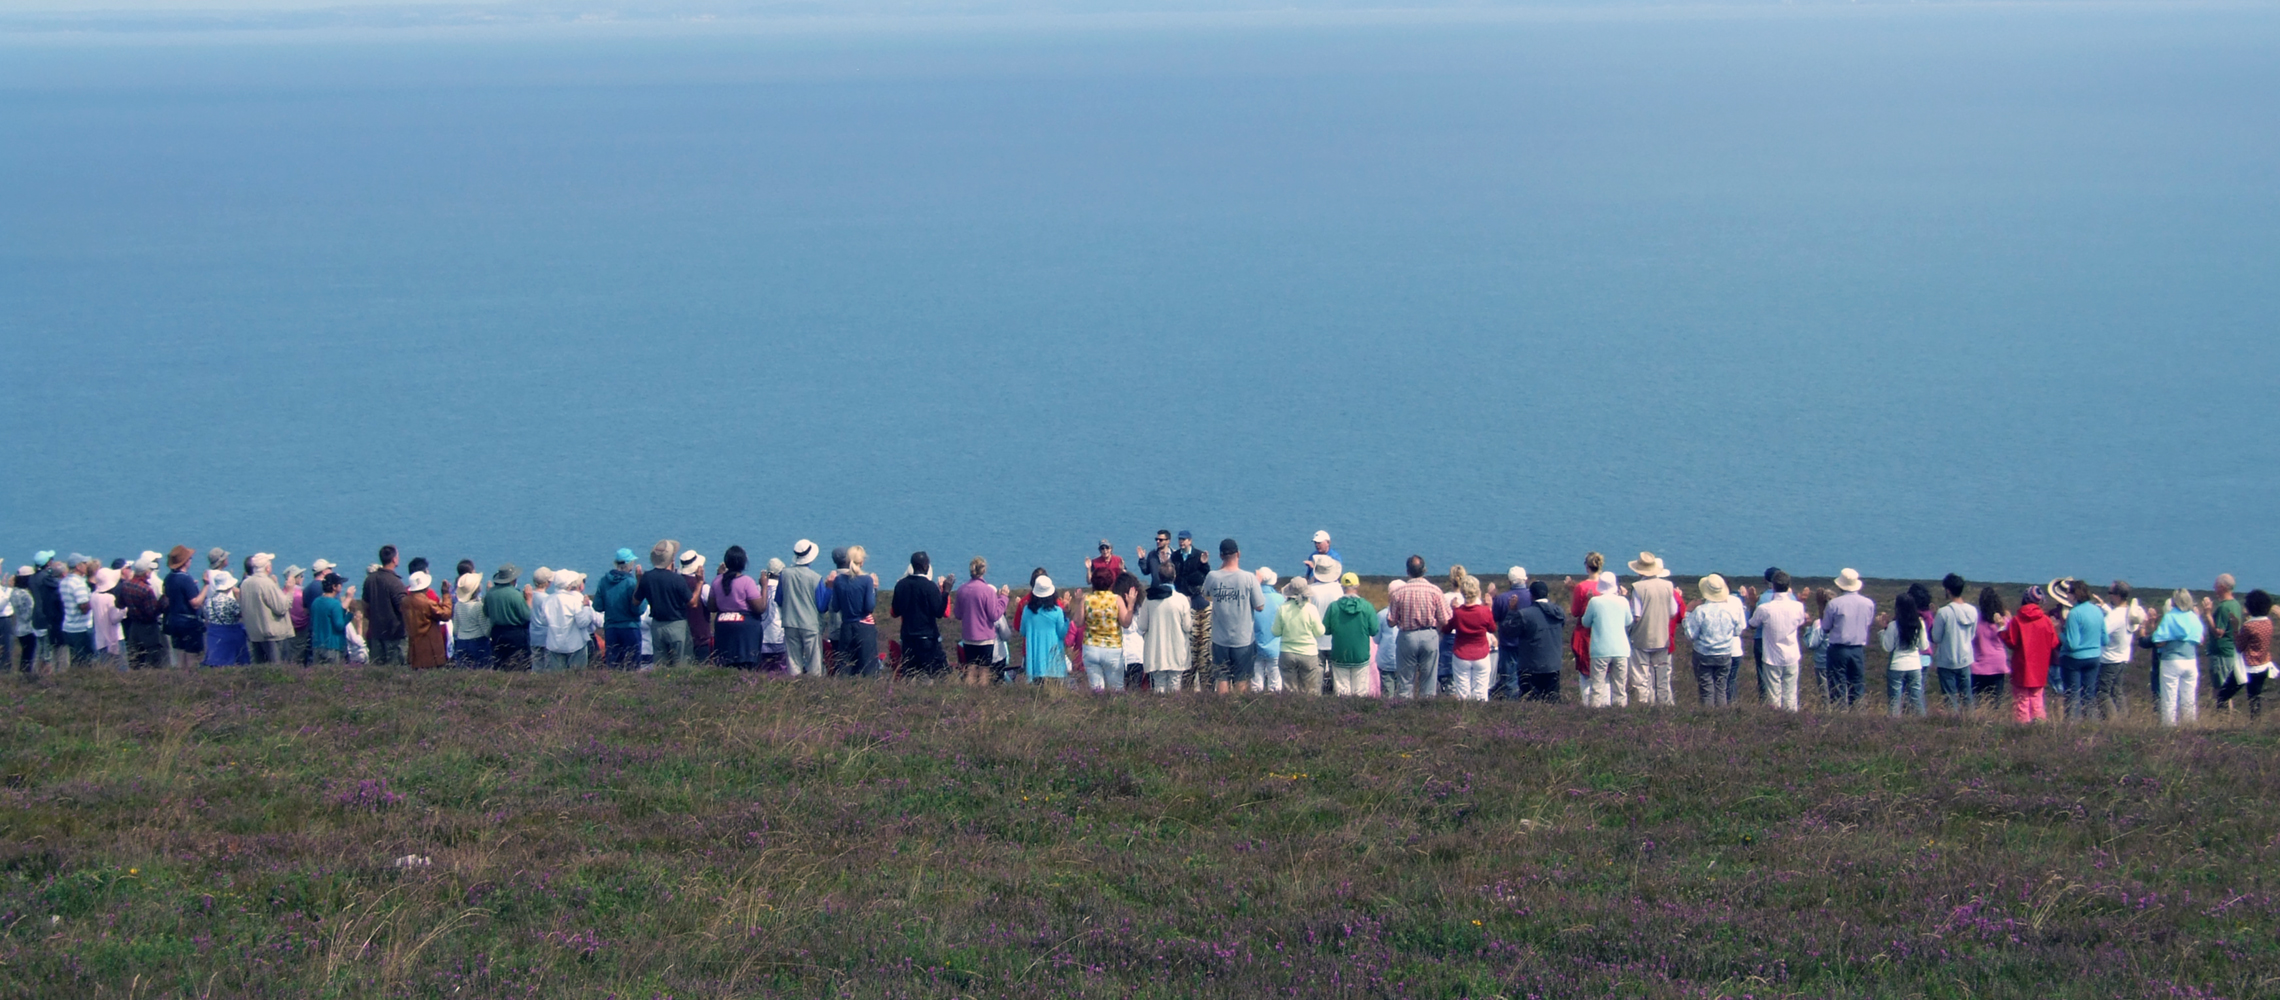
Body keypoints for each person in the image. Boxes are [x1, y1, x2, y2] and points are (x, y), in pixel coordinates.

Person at [1198, 539, 1265, 693]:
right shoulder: (1248, 578)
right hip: (1243, 639)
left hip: (1219, 638)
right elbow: (1260, 606)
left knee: (1222, 677)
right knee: (1242, 678)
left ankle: (1223, 710)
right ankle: (1238, 709)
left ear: (1221, 556)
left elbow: (1205, 594)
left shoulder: (1212, 576)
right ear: (1238, 554)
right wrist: (1257, 583)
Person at [1387, 556, 1450, 698]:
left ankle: (1405, 712)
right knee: (1428, 681)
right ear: (1424, 570)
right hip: (1429, 635)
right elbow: (1445, 619)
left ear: (1407, 571)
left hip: (1407, 636)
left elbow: (1391, 621)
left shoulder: (1399, 592)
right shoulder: (1435, 591)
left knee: (1405, 681)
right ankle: (1426, 713)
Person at [1746, 571, 1809, 711]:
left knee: (1773, 696)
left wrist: (1752, 604)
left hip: (1771, 657)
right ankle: (1792, 722)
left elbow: (1752, 624)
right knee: (1791, 694)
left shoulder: (1764, 608)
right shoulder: (1798, 607)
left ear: (1773, 586)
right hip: (1792, 655)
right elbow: (1801, 622)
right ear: (1788, 586)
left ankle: (1775, 720)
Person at [1624, 552, 1679, 707]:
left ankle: (1644, 706)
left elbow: (1636, 615)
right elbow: (1673, 611)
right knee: (1662, 677)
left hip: (1642, 638)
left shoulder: (1638, 588)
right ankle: (1665, 706)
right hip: (1663, 638)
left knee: (1641, 678)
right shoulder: (1668, 586)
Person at [1682, 574, 1746, 707]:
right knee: (1721, 688)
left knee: (1706, 689)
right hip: (1725, 654)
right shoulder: (1731, 610)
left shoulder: (1700, 611)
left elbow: (1690, 635)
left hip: (1703, 654)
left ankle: (1708, 716)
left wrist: (1687, 614)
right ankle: (1721, 717)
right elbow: (1738, 631)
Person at [2000, 586, 2058, 723]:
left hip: (2022, 666)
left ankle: (2022, 728)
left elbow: (2011, 643)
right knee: (2037, 699)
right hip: (2040, 667)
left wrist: (2002, 630)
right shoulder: (2046, 620)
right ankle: (2039, 725)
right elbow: (2054, 643)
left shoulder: (2017, 620)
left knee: (2021, 699)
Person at [892, 552, 954, 680]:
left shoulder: (901, 585)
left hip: (907, 638)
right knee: (936, 674)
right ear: (925, 566)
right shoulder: (929, 587)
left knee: (910, 675)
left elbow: (896, 611)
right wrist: (946, 592)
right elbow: (939, 612)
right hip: (927, 639)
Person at [1818, 570, 1875, 708]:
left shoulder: (1834, 604)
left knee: (1837, 686)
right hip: (1857, 650)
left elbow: (1825, 627)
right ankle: (1857, 715)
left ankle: (1839, 717)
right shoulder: (1868, 603)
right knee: (1857, 685)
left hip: (1838, 649)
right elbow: (1868, 623)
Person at [1578, 572, 1634, 708]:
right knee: (1620, 689)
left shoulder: (1595, 602)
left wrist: (1590, 601)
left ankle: (1595, 714)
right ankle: (1620, 715)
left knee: (1597, 688)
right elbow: (1629, 621)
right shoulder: (1623, 601)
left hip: (1600, 650)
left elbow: (1585, 622)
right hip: (1621, 649)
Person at [2151, 589, 2206, 726]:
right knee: (2189, 699)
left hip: (2171, 661)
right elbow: (2200, 640)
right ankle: (2190, 728)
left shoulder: (2170, 617)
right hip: (2190, 661)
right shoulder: (2194, 617)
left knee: (2169, 698)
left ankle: (2169, 729)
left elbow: (2158, 641)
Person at [1320, 573, 1380, 697]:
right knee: (1361, 693)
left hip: (1339, 654)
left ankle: (1343, 715)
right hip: (1361, 655)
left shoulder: (1334, 607)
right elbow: (1374, 630)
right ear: (1357, 586)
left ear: (1342, 587)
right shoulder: (1367, 607)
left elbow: (1325, 630)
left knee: (1342, 694)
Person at [1076, 564, 1134, 691]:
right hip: (1112, 648)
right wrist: (1130, 605)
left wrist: (1078, 602)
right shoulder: (1116, 599)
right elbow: (1126, 623)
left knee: (1096, 688)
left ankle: (1097, 708)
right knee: (1117, 688)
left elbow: (1078, 622)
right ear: (1111, 582)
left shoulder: (1087, 599)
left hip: (1091, 647)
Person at [952, 558, 1006, 687]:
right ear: (984, 570)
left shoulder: (961, 590)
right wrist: (1003, 599)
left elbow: (958, 614)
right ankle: (982, 697)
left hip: (968, 637)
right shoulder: (988, 591)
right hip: (985, 638)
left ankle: (969, 695)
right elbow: (994, 615)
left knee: (971, 668)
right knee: (984, 670)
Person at [2057, 579, 2106, 721]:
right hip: (2094, 657)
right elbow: (2105, 639)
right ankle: (2092, 726)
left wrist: (2059, 633)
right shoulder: (2098, 611)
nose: (2066, 595)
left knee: (2073, 697)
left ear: (2074, 595)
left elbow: (2072, 644)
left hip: (2074, 659)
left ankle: (2072, 729)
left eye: (2068, 592)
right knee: (2089, 696)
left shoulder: (2074, 614)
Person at [2095, 581, 2144, 720]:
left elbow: (2101, 633)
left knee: (2102, 692)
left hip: (2109, 659)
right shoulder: (2129, 612)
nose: (2109, 596)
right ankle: (2123, 719)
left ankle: (2112, 721)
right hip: (2122, 658)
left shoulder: (2115, 616)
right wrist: (2105, 607)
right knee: (2117, 691)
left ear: (2117, 595)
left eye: (2110, 593)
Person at [1442, 575, 1497, 701]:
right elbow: (1492, 628)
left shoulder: (1458, 613)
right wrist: (1489, 608)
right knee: (1481, 693)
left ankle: (1463, 717)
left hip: (1461, 655)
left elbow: (1446, 629)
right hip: (1481, 654)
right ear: (1477, 591)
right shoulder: (1484, 611)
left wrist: (1453, 609)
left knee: (1462, 694)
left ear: (1462, 592)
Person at [1928, 574, 1979, 711]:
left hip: (1946, 660)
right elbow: (1972, 635)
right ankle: (1969, 723)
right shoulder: (1973, 611)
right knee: (1967, 697)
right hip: (1965, 659)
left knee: (1950, 699)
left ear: (1948, 590)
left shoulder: (1944, 612)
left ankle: (1952, 725)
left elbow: (1936, 637)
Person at [710, 547, 766, 669]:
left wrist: (718, 575)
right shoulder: (747, 582)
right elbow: (760, 608)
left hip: (723, 626)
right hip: (744, 629)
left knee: (725, 664)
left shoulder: (717, 581)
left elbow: (712, 607)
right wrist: (764, 586)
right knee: (746, 665)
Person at [1137, 574, 1193, 693]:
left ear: (1160, 577)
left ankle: (1161, 709)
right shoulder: (1181, 599)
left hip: (1156, 650)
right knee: (1175, 684)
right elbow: (1188, 627)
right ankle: (1174, 709)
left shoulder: (1149, 599)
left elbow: (1142, 626)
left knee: (1159, 686)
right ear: (1174, 576)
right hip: (1176, 650)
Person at [1271, 576, 1326, 696]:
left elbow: (1275, 632)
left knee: (1289, 691)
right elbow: (1320, 632)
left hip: (1287, 653)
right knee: (1310, 691)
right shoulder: (1311, 609)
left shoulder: (1282, 609)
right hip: (1308, 653)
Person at [1170, 531, 1213, 685]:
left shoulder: (1198, 555)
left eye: (1184, 540)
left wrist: (1204, 564)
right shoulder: (1175, 556)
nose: (1181, 542)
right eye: (1180, 539)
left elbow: (1206, 575)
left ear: (1190, 541)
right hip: (1181, 595)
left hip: (1195, 597)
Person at [778, 540, 825, 676]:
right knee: (814, 664)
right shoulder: (816, 578)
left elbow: (779, 599)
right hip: (810, 624)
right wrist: (829, 589)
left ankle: (793, 690)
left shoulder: (784, 574)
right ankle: (813, 690)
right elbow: (822, 606)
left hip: (790, 623)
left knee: (793, 662)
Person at [1881, 592, 1930, 717]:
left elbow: (1887, 647)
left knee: (1895, 701)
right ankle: (1922, 723)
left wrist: (1882, 630)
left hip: (1897, 665)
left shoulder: (1893, 625)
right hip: (1914, 665)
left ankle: (1894, 724)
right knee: (1917, 698)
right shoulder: (1919, 624)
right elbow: (1924, 646)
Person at [593, 548, 644, 669]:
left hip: (611, 630)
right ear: (630, 564)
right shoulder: (632, 583)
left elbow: (597, 606)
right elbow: (638, 610)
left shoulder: (603, 581)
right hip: (630, 629)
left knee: (613, 667)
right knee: (632, 667)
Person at [239, 554, 293, 665]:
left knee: (261, 668)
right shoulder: (267, 583)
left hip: (255, 634)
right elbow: (281, 608)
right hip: (273, 634)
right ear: (267, 568)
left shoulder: (245, 583)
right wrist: (289, 591)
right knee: (277, 670)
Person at [2206, 575, 2249, 712]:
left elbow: (2219, 632)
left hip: (2221, 652)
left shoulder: (2224, 607)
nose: (2214, 588)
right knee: (2227, 688)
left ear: (2223, 587)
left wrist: (2207, 614)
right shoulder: (2235, 604)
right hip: (2231, 651)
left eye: (2216, 585)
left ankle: (2224, 718)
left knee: (2221, 689)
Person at [1020, 576, 1072, 686]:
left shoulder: (1027, 610)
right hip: (1054, 663)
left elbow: (1023, 631)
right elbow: (1062, 633)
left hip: (1034, 664)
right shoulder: (1057, 611)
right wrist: (1067, 618)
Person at [1569, 552, 1606, 703]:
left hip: (1585, 634)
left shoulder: (1582, 587)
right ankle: (1606, 704)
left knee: (1585, 673)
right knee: (1605, 674)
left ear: (1587, 566)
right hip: (1603, 632)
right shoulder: (1607, 586)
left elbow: (1575, 611)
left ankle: (1587, 704)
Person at [361, 547, 408, 666]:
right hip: (394, 634)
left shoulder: (370, 580)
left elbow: (365, 605)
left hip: (376, 632)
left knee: (377, 671)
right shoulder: (395, 582)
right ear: (394, 559)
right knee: (396, 669)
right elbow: (403, 608)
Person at [116, 557, 165, 670]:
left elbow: (120, 604)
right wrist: (163, 601)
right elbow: (152, 613)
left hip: (134, 627)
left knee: (135, 659)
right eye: (150, 570)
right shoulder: (146, 590)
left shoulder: (126, 585)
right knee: (154, 660)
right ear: (146, 572)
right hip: (149, 629)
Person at [2234, 589, 2274, 719]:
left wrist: (2235, 628)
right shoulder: (2268, 623)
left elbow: (2240, 646)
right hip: (2263, 664)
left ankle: (2222, 719)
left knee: (2224, 694)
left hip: (2249, 666)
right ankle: (2255, 725)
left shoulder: (2248, 626)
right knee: (2255, 698)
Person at [1969, 587, 2012, 708]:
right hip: (1997, 664)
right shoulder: (2004, 621)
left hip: (1979, 665)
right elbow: (2010, 637)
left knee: (1977, 701)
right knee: (1996, 701)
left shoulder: (1976, 621)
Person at [403, 570, 452, 669]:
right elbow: (446, 614)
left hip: (414, 651)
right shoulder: (428, 604)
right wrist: (446, 594)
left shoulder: (405, 602)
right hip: (431, 650)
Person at [1249, 568, 1285, 692]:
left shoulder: (1251, 598)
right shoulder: (1280, 599)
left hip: (1254, 645)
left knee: (1255, 682)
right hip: (1276, 646)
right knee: (1275, 683)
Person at [201, 570, 248, 666]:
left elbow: (207, 616)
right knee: (238, 661)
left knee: (216, 662)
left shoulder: (208, 601)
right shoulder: (229, 601)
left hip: (214, 634)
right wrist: (238, 597)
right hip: (230, 633)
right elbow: (242, 614)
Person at [55, 556, 93, 670]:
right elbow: (83, 607)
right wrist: (94, 601)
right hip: (81, 628)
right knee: (85, 662)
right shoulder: (79, 583)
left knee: (75, 660)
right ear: (78, 566)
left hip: (68, 627)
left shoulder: (64, 581)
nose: (87, 566)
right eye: (84, 563)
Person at [678, 551, 714, 664]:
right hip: (700, 637)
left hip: (681, 636)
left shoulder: (676, 582)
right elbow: (712, 606)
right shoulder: (702, 586)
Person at [450, 572, 493, 667]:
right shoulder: (478, 606)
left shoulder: (457, 606)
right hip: (478, 643)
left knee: (463, 675)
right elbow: (486, 632)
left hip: (461, 642)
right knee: (482, 673)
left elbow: (455, 630)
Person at [310, 574, 349, 664]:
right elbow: (339, 625)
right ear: (334, 587)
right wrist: (349, 616)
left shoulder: (316, 602)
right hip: (332, 645)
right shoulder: (335, 604)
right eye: (340, 584)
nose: (341, 586)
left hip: (317, 644)